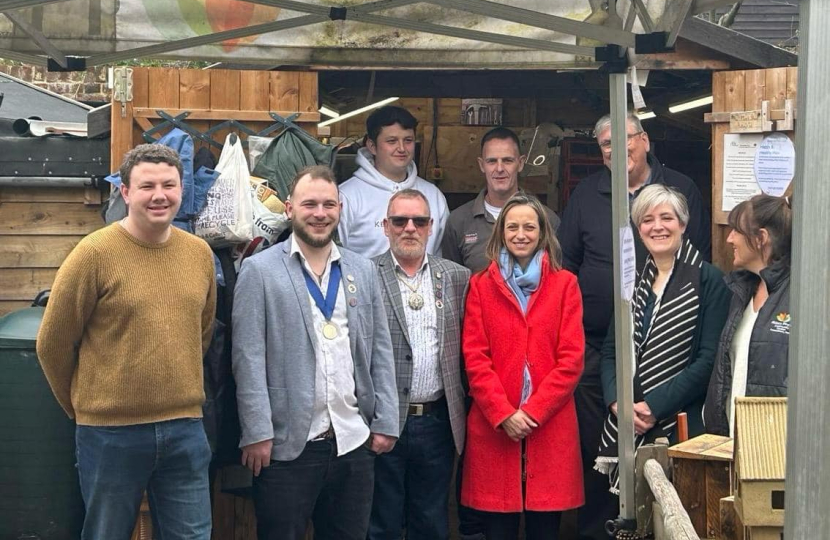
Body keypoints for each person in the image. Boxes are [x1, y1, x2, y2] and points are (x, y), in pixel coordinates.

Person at [36, 144, 217, 540]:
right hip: (109, 433)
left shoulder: (199, 254)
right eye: (147, 185)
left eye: (169, 184)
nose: (159, 195)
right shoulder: (93, 254)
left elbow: (200, 332)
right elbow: (52, 344)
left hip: (184, 428)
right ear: (125, 192)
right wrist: (84, 407)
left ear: (181, 189)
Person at [557, 111, 711, 539]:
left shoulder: (681, 188)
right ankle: (597, 532)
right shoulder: (587, 194)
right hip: (597, 353)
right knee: (599, 454)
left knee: (664, 460)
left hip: (670, 354)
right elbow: (567, 265)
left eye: (625, 139)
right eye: (607, 144)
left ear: (644, 139)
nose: (617, 150)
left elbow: (698, 261)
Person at [232, 165, 399, 540]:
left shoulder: (363, 270)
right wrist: (257, 431)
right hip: (287, 446)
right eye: (310, 204)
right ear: (289, 209)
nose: (319, 213)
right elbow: (248, 358)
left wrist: (387, 420)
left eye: (328, 204)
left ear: (340, 208)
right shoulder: (259, 272)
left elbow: (380, 350)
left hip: (352, 443)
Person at [462, 193, 584, 540]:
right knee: (497, 529)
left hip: (549, 426)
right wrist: (503, 413)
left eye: (529, 226)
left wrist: (532, 412)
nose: (520, 234)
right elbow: (475, 356)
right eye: (512, 226)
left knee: (545, 529)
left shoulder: (565, 285)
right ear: (500, 233)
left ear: (543, 232)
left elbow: (572, 358)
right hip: (496, 428)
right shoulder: (481, 285)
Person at [594, 185, 730, 494]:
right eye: (647, 219)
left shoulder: (710, 280)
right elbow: (611, 351)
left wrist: (653, 406)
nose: (657, 226)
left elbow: (709, 359)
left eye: (666, 217)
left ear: (682, 224)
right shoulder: (632, 281)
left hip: (683, 424)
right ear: (638, 229)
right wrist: (619, 403)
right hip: (630, 421)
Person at [369, 189, 471, 540]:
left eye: (419, 221)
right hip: (383, 421)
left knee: (431, 521)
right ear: (385, 226)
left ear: (431, 227)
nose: (409, 228)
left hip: (437, 421)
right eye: (400, 220)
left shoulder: (458, 277)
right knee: (382, 522)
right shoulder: (365, 275)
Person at [704, 194, 792, 437]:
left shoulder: (799, 293)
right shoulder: (742, 291)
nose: (729, 238)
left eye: (736, 230)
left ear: (761, 238)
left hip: (774, 449)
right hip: (735, 442)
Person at [443, 126, 560, 274]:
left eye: (507, 160)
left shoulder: (547, 219)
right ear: (481, 165)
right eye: (492, 161)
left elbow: (556, 279)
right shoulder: (458, 221)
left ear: (521, 163)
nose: (499, 168)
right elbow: (452, 283)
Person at [339, 105, 449, 258]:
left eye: (408, 140)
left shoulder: (433, 196)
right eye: (392, 141)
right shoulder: (346, 196)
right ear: (372, 146)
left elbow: (440, 259)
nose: (402, 148)